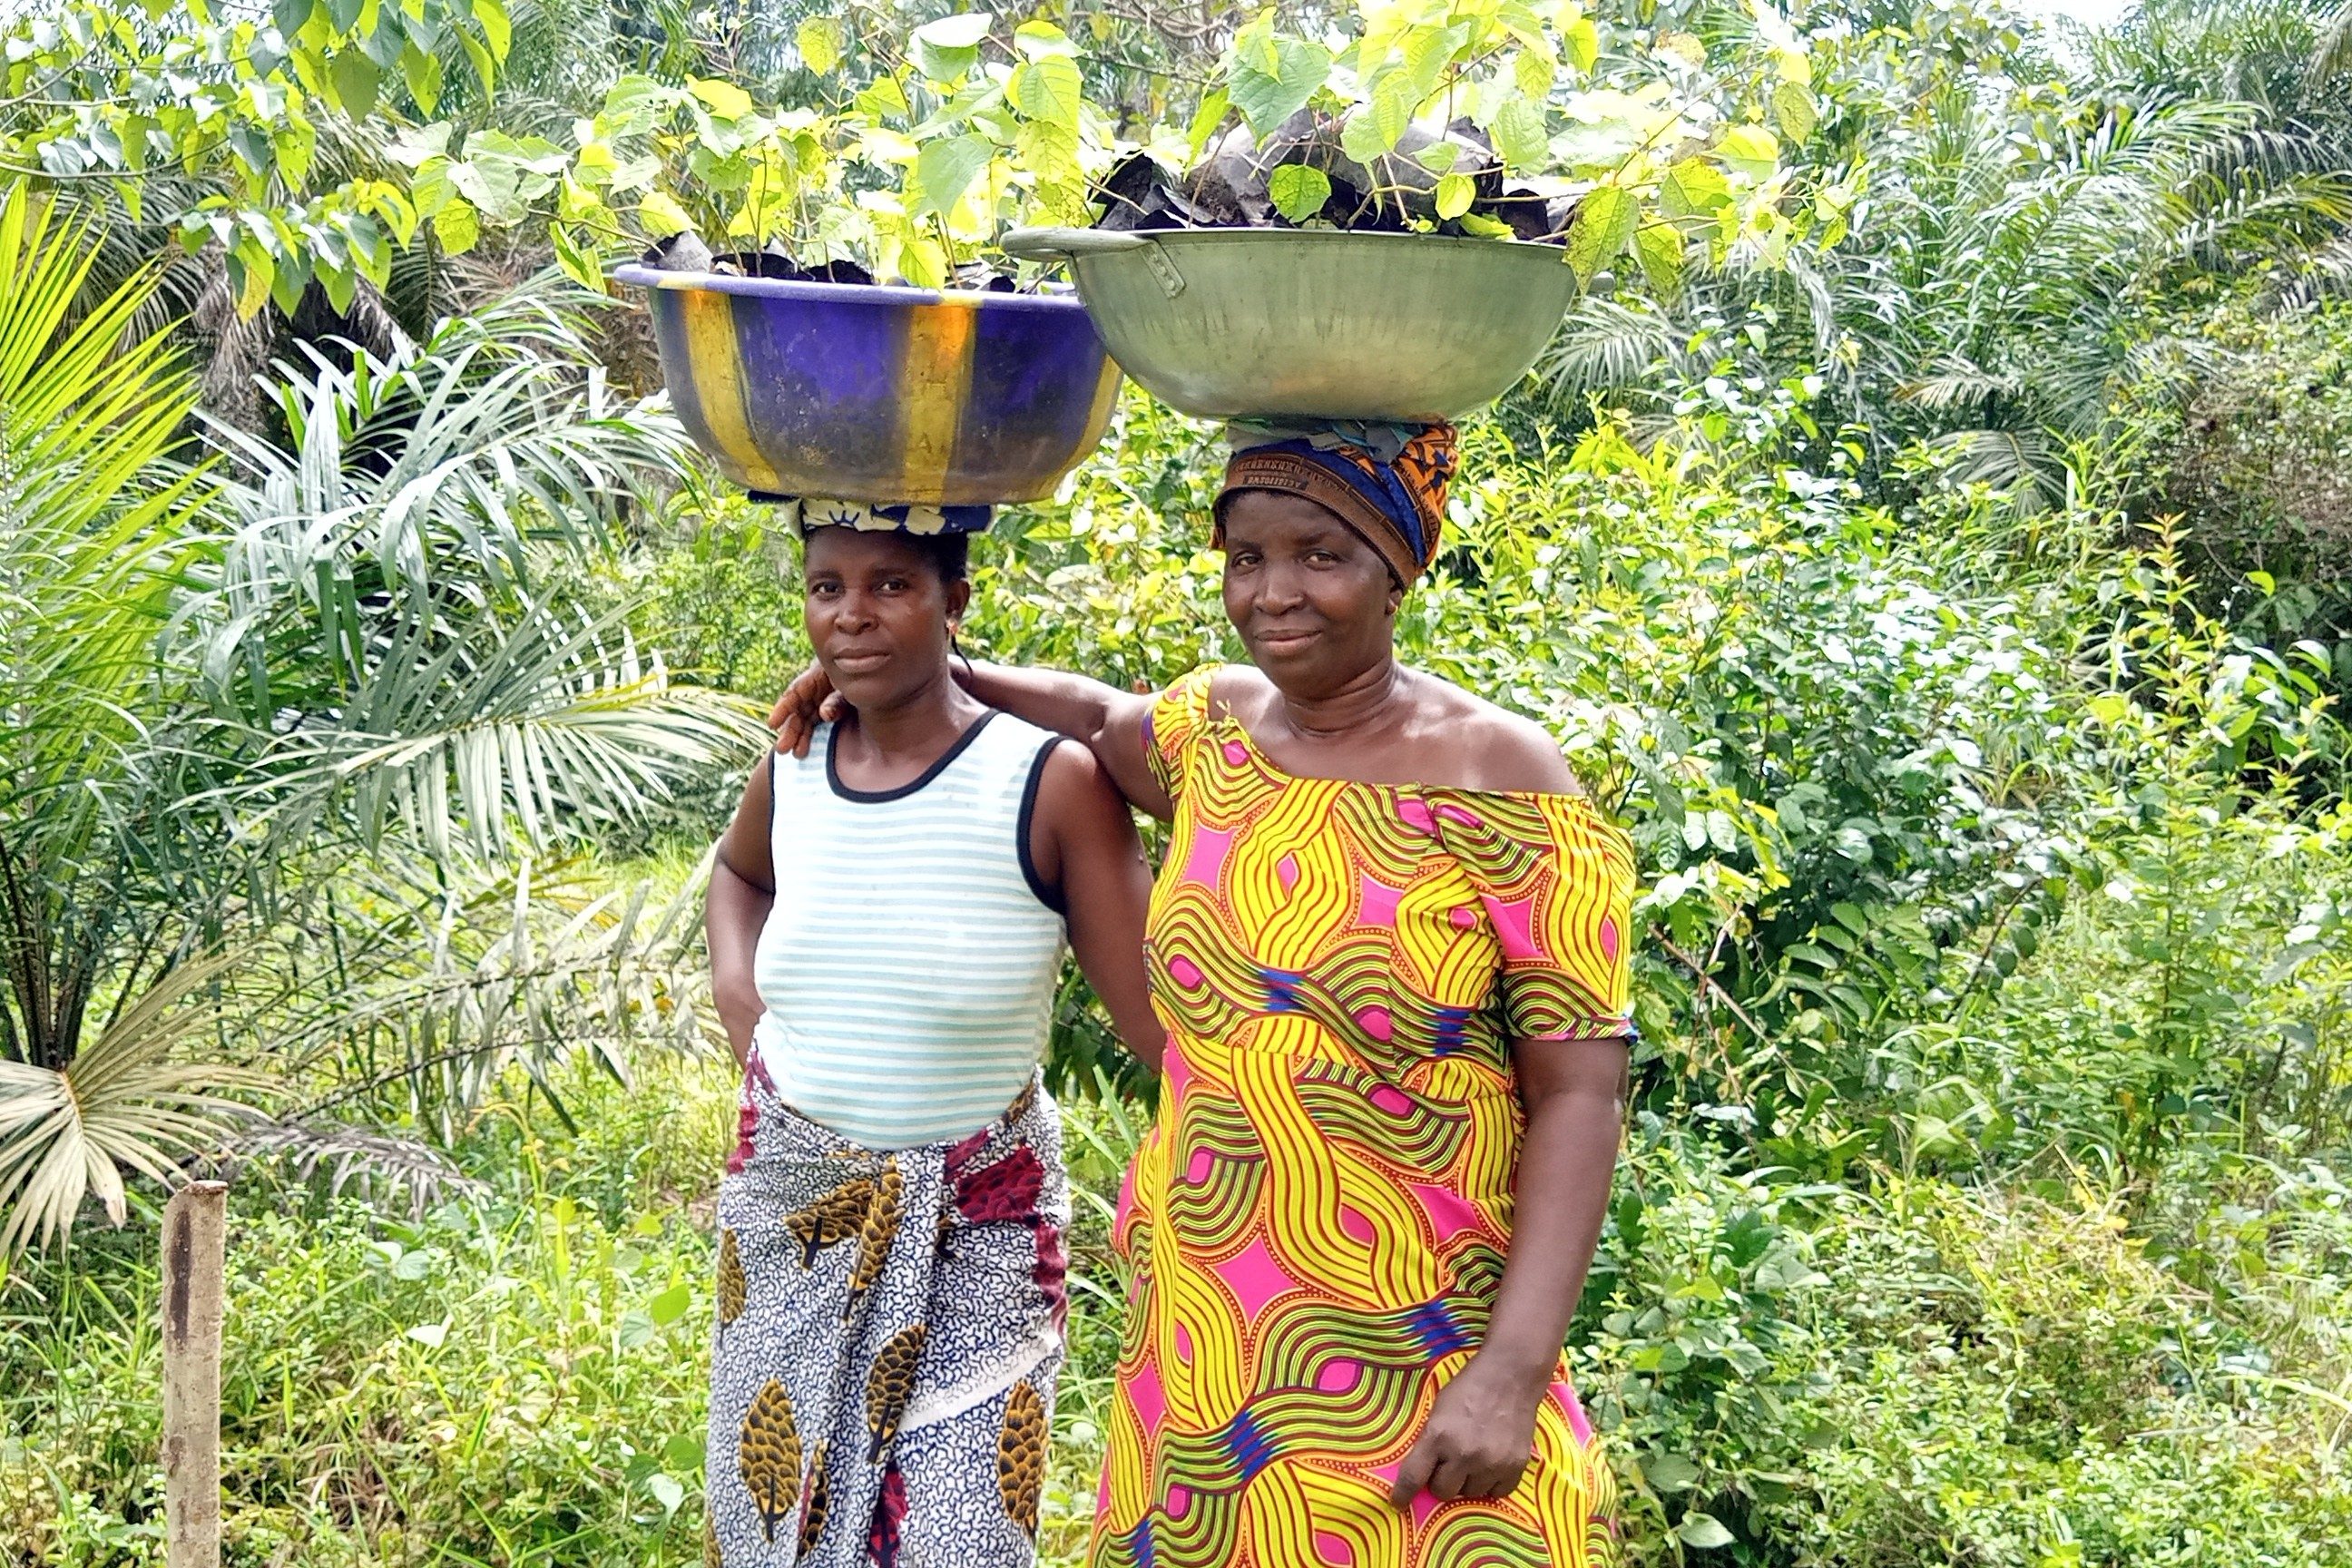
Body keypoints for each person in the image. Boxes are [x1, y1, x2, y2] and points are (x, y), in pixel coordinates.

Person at [772, 426, 1637, 1568]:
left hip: (1417, 1326)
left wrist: (1511, 1373)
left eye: (1321, 555)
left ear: (1397, 568)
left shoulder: (1504, 777)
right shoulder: (1219, 732)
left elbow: (1583, 1093)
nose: (1274, 593)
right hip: (1204, 1323)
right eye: (1246, 557)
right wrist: (905, 671)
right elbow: (1088, 716)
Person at [704, 502, 1165, 1568]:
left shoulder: (1048, 783)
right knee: (777, 1520)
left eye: (891, 587)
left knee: (961, 1538)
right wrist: (743, 1002)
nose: (851, 617)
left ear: (955, 602)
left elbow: (1155, 1020)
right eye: (828, 589)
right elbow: (738, 873)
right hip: (792, 1204)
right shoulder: (794, 764)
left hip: (980, 1229)